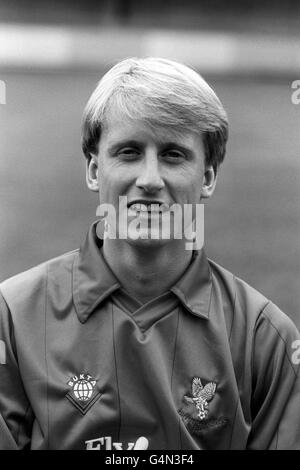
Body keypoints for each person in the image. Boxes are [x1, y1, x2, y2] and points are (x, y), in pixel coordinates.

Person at [0, 57, 299, 450]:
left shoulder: (265, 338)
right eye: (128, 152)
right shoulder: (13, 318)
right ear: (93, 170)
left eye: (174, 155)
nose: (150, 180)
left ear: (207, 177)